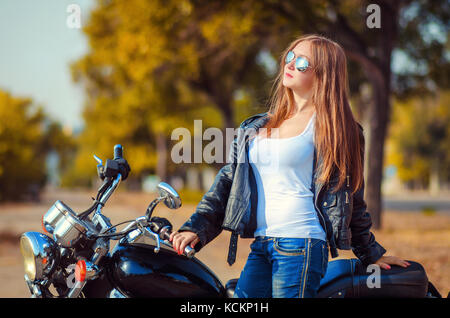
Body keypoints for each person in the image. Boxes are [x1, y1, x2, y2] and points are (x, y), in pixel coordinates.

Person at [169, 34, 410, 298]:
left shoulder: (337, 129)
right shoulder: (257, 126)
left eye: (303, 62)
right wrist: (197, 228)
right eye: (290, 57)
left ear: (324, 74)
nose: (291, 64)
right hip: (262, 244)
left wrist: (371, 254)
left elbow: (352, 198)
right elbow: (228, 182)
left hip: (301, 244)